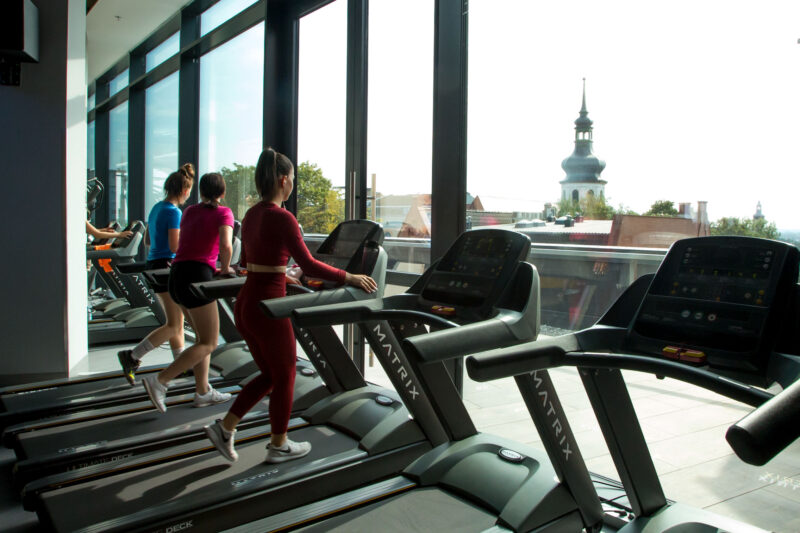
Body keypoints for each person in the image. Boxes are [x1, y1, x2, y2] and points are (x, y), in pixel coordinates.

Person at [204, 147, 377, 464]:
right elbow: (309, 265)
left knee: (270, 374)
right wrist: (349, 276)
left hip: (247, 303)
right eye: (293, 178)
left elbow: (248, 262)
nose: (293, 183)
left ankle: (225, 427)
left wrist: (282, 274)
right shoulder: (283, 218)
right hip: (269, 307)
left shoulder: (252, 214)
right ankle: (279, 444)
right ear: (284, 180)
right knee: (285, 375)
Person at [141, 172, 235, 413]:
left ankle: (202, 391)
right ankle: (160, 380)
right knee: (210, 342)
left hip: (177, 276)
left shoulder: (190, 211)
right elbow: (226, 244)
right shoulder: (224, 212)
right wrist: (225, 268)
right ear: (222, 193)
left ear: (200, 192)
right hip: (197, 276)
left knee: (202, 337)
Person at [117, 163, 194, 386]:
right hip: (165, 268)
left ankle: (179, 364)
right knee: (173, 324)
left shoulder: (157, 208)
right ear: (184, 190)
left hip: (154, 263)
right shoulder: (174, 212)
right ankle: (132, 356)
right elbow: (174, 245)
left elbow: (149, 241)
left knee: (176, 322)